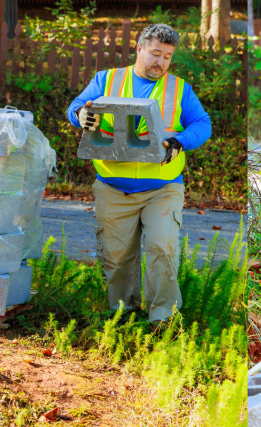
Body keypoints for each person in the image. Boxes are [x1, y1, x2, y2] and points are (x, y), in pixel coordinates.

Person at [66, 23, 212, 324]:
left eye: (167, 57)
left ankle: (162, 321)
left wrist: (180, 141)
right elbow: (78, 107)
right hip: (113, 188)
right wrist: (81, 115)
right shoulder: (106, 79)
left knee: (162, 249)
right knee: (117, 258)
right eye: (156, 54)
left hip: (162, 188)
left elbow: (202, 124)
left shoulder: (179, 89)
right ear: (139, 49)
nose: (161, 62)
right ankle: (124, 319)